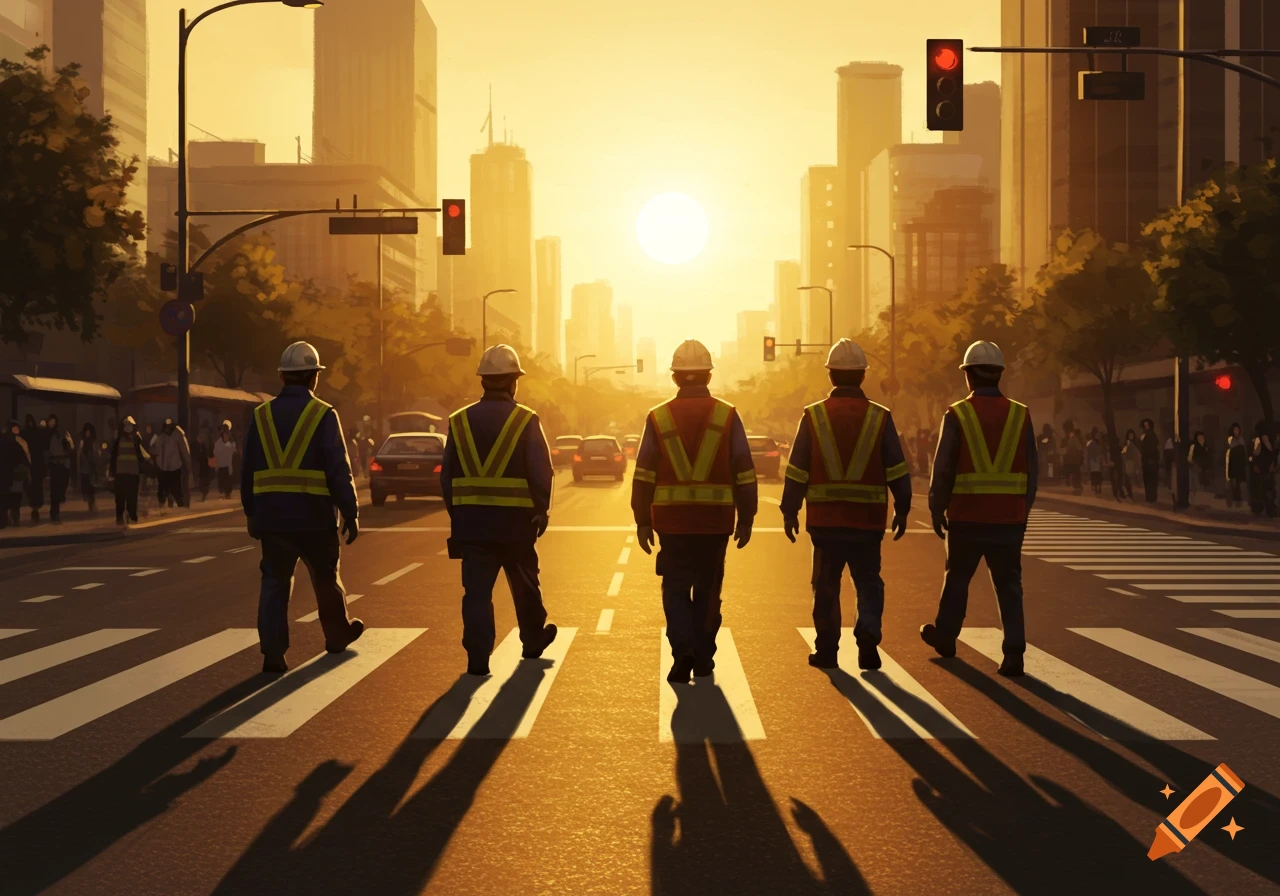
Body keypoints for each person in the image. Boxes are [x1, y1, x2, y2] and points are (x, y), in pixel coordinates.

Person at [780, 338, 911, 671]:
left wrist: (789, 509)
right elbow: (897, 467)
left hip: (825, 523)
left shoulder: (813, 416)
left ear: (831, 375)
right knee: (868, 582)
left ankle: (827, 650)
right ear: (863, 376)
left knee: (825, 586)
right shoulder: (880, 417)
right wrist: (903, 507)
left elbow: (797, 468)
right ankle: (867, 642)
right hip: (867, 522)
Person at [631, 339, 757, 684]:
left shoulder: (657, 417)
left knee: (674, 589)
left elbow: (644, 473)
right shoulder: (727, 415)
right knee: (708, 591)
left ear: (674, 378)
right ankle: (703, 657)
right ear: (709, 375)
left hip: (671, 525)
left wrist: (643, 520)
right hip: (715, 524)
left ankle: (682, 651)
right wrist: (746, 517)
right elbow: (743, 469)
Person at [242, 341, 364, 674]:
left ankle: (273, 654)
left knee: (275, 584)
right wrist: (350, 511)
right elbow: (338, 467)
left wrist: (251, 512)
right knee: (326, 578)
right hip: (314, 517)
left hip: (272, 518)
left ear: (283, 376)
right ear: (314, 377)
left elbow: (248, 468)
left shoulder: (261, 415)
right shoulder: (324, 414)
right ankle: (337, 635)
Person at [920, 340, 1037, 678]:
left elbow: (943, 468)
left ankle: (946, 636)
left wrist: (935, 507)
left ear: (968, 376)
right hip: (1008, 520)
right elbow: (1032, 471)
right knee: (1009, 586)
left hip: (966, 518)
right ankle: (1013, 653)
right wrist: (1022, 512)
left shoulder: (957, 414)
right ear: (999, 374)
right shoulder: (1021, 414)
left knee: (957, 579)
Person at [440, 343, 558, 676]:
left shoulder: (459, 421)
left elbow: (447, 477)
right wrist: (541, 510)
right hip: (516, 525)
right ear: (512, 382)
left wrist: (459, 514)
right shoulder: (525, 419)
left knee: (476, 594)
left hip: (473, 527)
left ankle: (478, 657)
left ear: (483, 381)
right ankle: (533, 639)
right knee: (525, 586)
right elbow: (541, 471)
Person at [109, 415, 149, 526]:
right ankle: (120, 517)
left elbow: (140, 455)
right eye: (127, 424)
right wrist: (112, 471)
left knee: (131, 497)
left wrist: (143, 469)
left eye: (130, 425)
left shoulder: (136, 438)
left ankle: (131, 516)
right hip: (122, 473)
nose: (128, 427)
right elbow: (114, 455)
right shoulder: (118, 438)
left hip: (131, 473)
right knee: (121, 497)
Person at [151, 417, 190, 510]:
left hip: (174, 466)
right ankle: (164, 503)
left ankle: (178, 504)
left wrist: (186, 462)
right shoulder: (160, 436)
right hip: (164, 467)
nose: (167, 429)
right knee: (163, 487)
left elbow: (183, 449)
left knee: (175, 487)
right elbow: (153, 449)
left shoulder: (176, 436)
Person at [43, 413, 75, 524]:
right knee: (55, 490)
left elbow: (70, 448)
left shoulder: (61, 434)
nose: (51, 423)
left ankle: (55, 512)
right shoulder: (46, 434)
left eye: (53, 421)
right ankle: (55, 514)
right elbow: (45, 450)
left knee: (61, 487)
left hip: (63, 464)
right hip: (54, 465)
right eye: (50, 421)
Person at [1, 420, 31, 529]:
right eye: (14, 428)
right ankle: (7, 519)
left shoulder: (20, 441)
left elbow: (26, 455)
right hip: (7, 473)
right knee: (8, 497)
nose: (16, 430)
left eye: (17, 428)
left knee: (15, 497)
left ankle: (14, 518)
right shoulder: (7, 440)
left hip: (15, 474)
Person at [1249, 422, 1278, 518]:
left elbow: (1256, 452)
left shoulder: (1260, 438)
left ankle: (1266, 508)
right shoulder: (1269, 439)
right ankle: (1269, 508)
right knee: (1268, 488)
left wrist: (1252, 459)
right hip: (1267, 467)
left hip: (1262, 467)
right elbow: (1271, 450)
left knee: (1263, 488)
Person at [1226, 423, 1248, 509]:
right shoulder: (1231, 439)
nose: (1236, 431)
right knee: (1233, 483)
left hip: (1240, 463)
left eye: (1238, 430)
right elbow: (1232, 446)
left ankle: (1238, 501)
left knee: (1239, 482)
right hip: (1233, 462)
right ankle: (1234, 501)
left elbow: (1243, 450)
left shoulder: (1241, 439)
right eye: (1235, 430)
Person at [78, 423, 100, 512]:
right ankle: (90, 501)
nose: (88, 434)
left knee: (91, 487)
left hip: (91, 467)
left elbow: (96, 455)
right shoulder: (82, 442)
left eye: (89, 432)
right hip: (84, 468)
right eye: (86, 432)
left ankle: (92, 503)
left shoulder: (93, 442)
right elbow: (79, 455)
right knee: (86, 485)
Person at [1138, 418, 1161, 503]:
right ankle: (1150, 497)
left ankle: (1151, 497)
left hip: (1150, 460)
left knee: (1151, 479)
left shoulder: (1151, 435)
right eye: (1145, 425)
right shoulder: (1145, 435)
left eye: (1147, 425)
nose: (1146, 426)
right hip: (1147, 460)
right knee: (1148, 479)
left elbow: (1152, 448)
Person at [214, 427, 237, 498]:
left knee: (228, 481)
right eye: (224, 435)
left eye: (227, 436)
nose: (226, 437)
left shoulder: (230, 444)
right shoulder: (218, 443)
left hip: (228, 465)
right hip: (221, 465)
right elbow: (215, 453)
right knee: (222, 480)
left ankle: (228, 493)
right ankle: (223, 490)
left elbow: (234, 450)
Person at [1061, 425, 1084, 494]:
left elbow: (1079, 449)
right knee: (1073, 472)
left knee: (1075, 472)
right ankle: (1076, 487)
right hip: (1073, 459)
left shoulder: (1074, 438)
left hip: (1074, 459)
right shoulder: (1071, 438)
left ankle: (1078, 488)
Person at [191, 430, 213, 501]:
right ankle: (204, 493)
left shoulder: (204, 446)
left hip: (204, 465)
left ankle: (204, 493)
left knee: (204, 480)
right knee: (204, 480)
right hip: (204, 466)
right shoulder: (203, 446)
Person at [1188, 431, 1211, 496]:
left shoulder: (1205, 446)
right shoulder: (1193, 446)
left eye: (1202, 437)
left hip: (1204, 468)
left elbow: (1208, 456)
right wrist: (1194, 464)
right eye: (1199, 437)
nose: (1201, 439)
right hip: (1195, 467)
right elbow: (1190, 457)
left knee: (1203, 483)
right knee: (1196, 483)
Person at [1120, 429, 1140, 501]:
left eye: (1132, 435)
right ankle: (1130, 494)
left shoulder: (1135, 444)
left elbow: (1137, 454)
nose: (1131, 436)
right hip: (1128, 462)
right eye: (1130, 435)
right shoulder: (1127, 444)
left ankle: (1132, 495)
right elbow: (1123, 453)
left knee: (1132, 479)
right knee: (1128, 479)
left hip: (1133, 463)